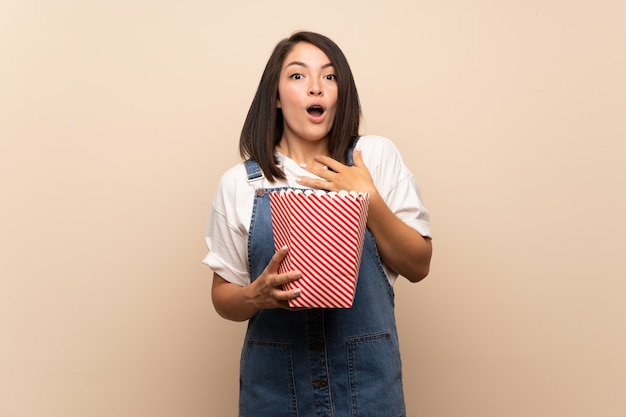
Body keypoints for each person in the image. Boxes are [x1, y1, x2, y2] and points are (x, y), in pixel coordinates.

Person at [203, 31, 432, 417]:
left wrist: (368, 197)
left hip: (369, 389)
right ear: (274, 96)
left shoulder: (373, 157)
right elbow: (223, 296)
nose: (315, 88)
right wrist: (254, 296)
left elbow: (418, 265)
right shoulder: (240, 184)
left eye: (329, 77)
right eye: (297, 76)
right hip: (274, 393)